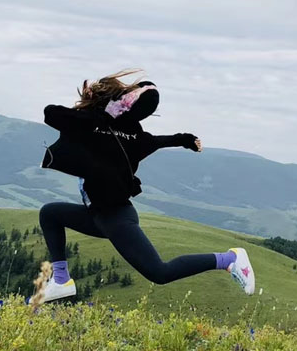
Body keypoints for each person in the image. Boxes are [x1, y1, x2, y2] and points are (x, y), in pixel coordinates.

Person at [37, 68, 255, 303]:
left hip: (116, 218)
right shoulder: (120, 135)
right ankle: (61, 280)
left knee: (160, 273)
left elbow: (52, 114)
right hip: (98, 216)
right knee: (50, 213)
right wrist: (184, 139)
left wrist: (97, 113)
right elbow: (52, 114)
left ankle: (228, 259)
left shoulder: (100, 130)